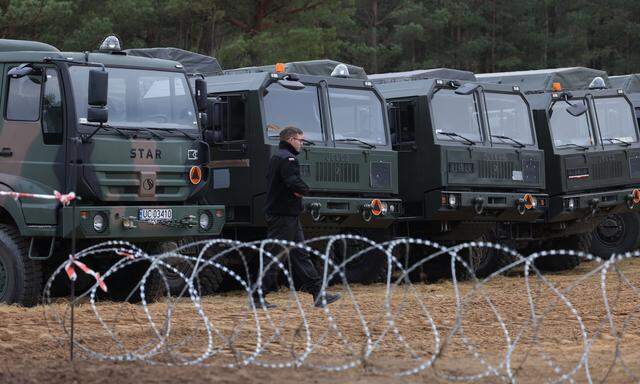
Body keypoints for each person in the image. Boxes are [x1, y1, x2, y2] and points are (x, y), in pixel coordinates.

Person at [257, 126, 341, 308]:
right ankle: (257, 296)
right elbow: (292, 183)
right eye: (300, 140)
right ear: (290, 140)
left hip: (287, 216)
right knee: (275, 255)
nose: (302, 144)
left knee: (301, 256)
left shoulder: (277, 156)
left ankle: (318, 294)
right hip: (283, 216)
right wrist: (304, 189)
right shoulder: (288, 159)